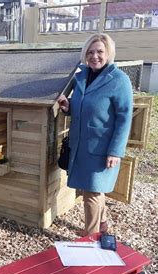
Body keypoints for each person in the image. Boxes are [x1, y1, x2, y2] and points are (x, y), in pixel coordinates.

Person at [57, 33, 133, 236]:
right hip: (80, 145)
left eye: (99, 51)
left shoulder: (119, 80)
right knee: (92, 189)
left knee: (91, 191)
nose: (94, 56)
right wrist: (68, 107)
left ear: (108, 53)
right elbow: (86, 107)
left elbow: (124, 118)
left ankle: (90, 237)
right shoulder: (81, 76)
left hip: (101, 147)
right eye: (90, 52)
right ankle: (103, 224)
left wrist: (116, 151)